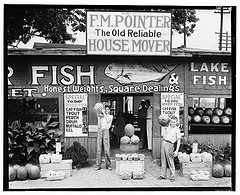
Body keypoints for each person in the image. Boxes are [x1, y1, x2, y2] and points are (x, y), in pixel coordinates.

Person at [158, 116, 181, 182]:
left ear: (176, 122)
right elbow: (164, 135)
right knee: (163, 160)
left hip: (170, 144)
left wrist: (176, 151)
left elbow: (178, 141)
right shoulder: (167, 128)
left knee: (170, 161)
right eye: (171, 122)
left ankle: (172, 176)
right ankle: (163, 175)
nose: (172, 123)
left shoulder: (177, 130)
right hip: (164, 142)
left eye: (174, 122)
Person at [95, 106, 113, 171]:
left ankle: (108, 165)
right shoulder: (100, 116)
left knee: (106, 149)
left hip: (106, 131)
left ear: (109, 110)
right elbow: (99, 125)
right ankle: (98, 165)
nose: (106, 110)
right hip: (100, 131)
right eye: (105, 109)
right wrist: (100, 116)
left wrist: (104, 114)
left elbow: (108, 120)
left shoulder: (110, 116)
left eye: (108, 109)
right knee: (99, 149)